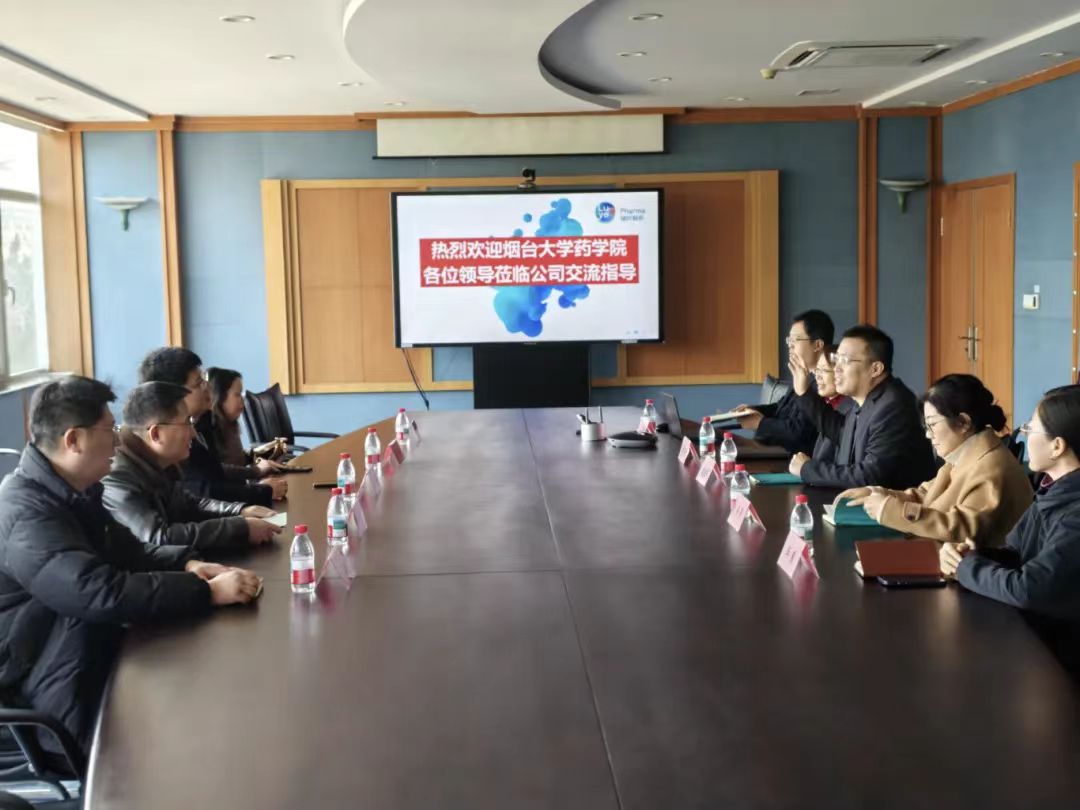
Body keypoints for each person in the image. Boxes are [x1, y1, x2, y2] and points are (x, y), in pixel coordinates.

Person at [0, 376, 263, 758]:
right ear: (73, 440)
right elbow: (98, 592)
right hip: (43, 686)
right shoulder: (27, 514)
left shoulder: (74, 491)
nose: (119, 441)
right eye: (109, 430)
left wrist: (189, 563)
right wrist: (205, 592)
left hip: (81, 650)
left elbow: (130, 551)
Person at [838, 374, 1032, 546]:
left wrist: (888, 509)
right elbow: (925, 495)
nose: (928, 435)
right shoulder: (964, 456)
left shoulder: (990, 468)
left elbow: (961, 529)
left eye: (932, 425)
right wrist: (876, 493)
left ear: (964, 422)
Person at [941, 386, 1080, 619]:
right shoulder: (1050, 491)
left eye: (1030, 428)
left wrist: (966, 568)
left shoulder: (1074, 515)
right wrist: (971, 555)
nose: (1024, 434)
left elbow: (1028, 589)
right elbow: (1016, 554)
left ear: (1057, 446)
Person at [103, 381, 282, 552]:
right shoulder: (118, 476)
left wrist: (241, 511)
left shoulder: (158, 460)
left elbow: (192, 504)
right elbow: (158, 537)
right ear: (156, 434)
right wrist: (239, 528)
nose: (194, 433)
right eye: (186, 423)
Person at [787, 324, 936, 489]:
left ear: (875, 369)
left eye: (844, 360)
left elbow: (869, 476)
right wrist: (803, 391)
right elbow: (841, 432)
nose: (836, 369)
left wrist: (807, 469)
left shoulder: (894, 406)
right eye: (836, 359)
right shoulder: (865, 399)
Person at [136, 348, 286, 506]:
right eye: (199, 383)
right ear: (172, 394)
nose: (208, 387)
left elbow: (214, 472)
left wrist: (256, 477)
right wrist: (260, 491)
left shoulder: (202, 421)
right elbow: (204, 493)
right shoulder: (170, 440)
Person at [734, 309, 834, 455]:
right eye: (789, 340)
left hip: (788, 457)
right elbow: (780, 407)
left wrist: (760, 423)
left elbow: (799, 433)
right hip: (771, 449)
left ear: (817, 345)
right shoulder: (802, 374)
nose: (790, 345)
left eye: (795, 340)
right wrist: (752, 410)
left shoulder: (826, 384)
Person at [206, 367, 284, 474]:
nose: (242, 400)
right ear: (220, 397)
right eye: (237, 394)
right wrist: (257, 471)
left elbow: (236, 459)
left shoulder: (231, 425)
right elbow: (220, 470)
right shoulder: (210, 428)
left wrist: (264, 453)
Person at [808, 346, 853, 464]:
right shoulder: (824, 402)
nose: (818, 376)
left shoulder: (848, 409)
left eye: (824, 370)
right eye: (817, 370)